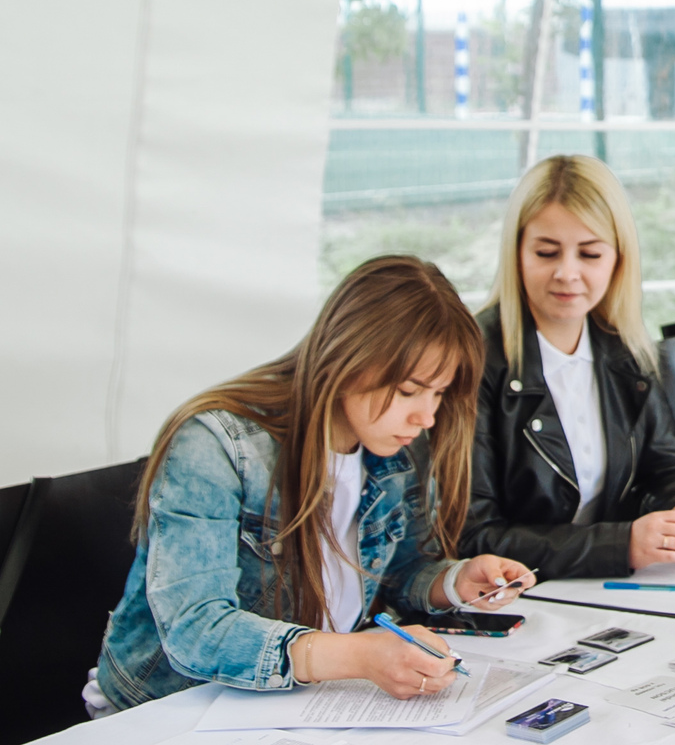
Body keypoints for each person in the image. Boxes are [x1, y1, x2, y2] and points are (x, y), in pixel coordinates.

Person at [90, 256, 531, 713]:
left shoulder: (398, 447)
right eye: (408, 391)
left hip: (300, 702)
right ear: (349, 360)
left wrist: (456, 581)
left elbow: (399, 573)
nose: (427, 417)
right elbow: (197, 631)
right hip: (169, 706)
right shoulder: (217, 445)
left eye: (439, 393)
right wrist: (361, 655)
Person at [462, 154, 675, 578]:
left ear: (618, 259)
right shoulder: (473, 360)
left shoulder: (623, 348)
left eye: (589, 254)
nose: (567, 273)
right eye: (546, 252)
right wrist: (620, 546)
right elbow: (473, 535)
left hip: (605, 588)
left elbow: (668, 467)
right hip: (516, 594)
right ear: (516, 254)